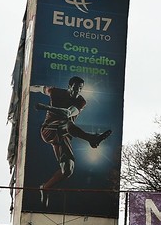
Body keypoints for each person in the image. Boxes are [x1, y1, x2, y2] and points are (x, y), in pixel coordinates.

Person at [30, 76, 112, 204]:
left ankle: (45, 187)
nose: (77, 91)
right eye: (75, 88)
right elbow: (39, 88)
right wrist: (26, 89)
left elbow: (67, 113)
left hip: (64, 133)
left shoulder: (81, 101)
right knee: (66, 123)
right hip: (49, 130)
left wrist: (46, 107)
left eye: (80, 89)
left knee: (68, 170)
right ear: (69, 87)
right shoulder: (55, 92)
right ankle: (92, 138)